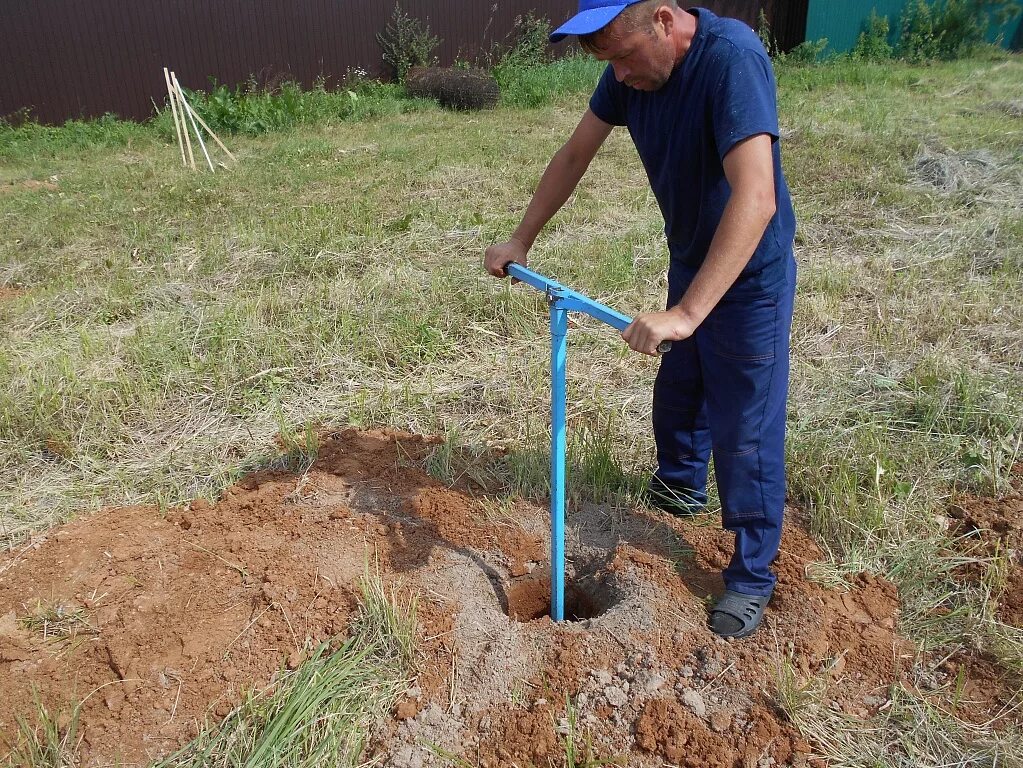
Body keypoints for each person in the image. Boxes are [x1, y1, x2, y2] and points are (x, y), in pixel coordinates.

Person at [484, 0, 797, 639]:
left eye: (622, 57)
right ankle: (681, 491)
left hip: (748, 274)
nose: (619, 77)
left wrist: (686, 313)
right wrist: (522, 238)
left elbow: (757, 196)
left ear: (662, 18)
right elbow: (576, 154)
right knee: (679, 395)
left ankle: (750, 575)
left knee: (745, 424)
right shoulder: (627, 72)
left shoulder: (730, 59)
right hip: (692, 259)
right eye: (607, 63)